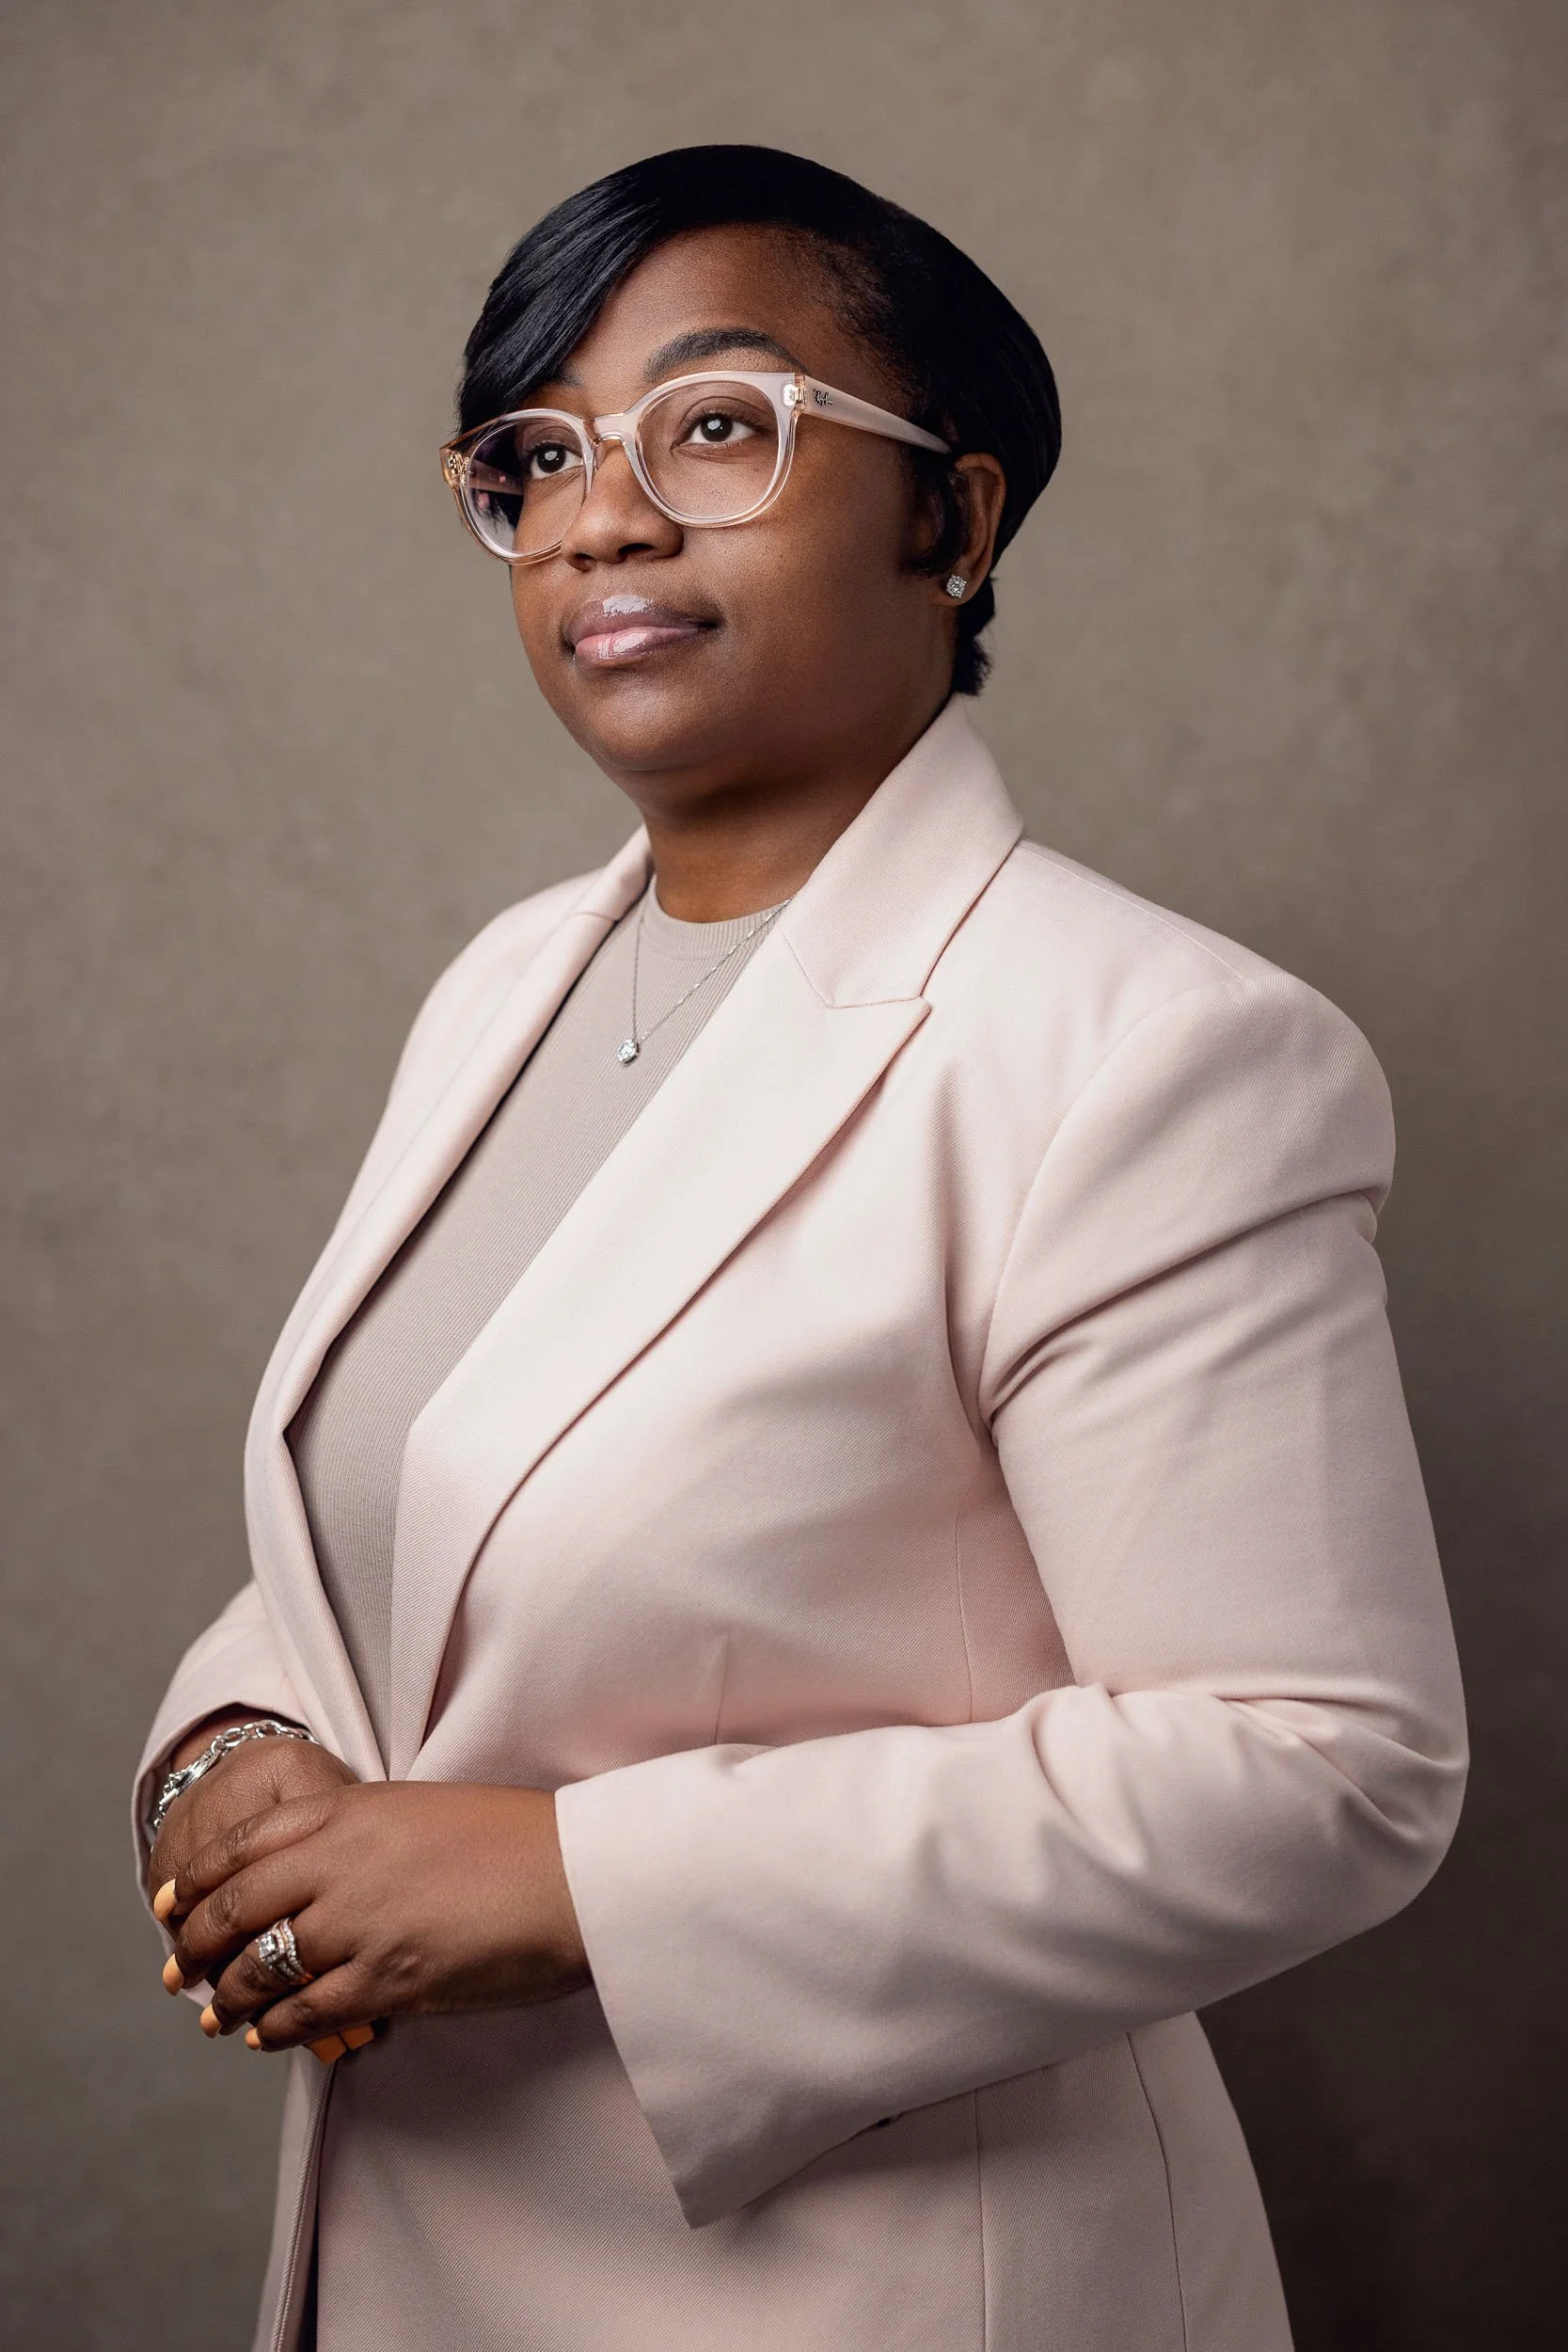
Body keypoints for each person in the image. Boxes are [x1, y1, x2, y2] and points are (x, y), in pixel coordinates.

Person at [135, 145, 1466, 2352]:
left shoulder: (1142, 1047)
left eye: (716, 425)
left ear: (952, 517)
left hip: (877, 2280)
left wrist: (572, 1877)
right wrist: (227, 1750)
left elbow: (1319, 1762)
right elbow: (428, 1515)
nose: (599, 516)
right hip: (420, 2245)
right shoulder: (505, 988)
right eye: (533, 455)